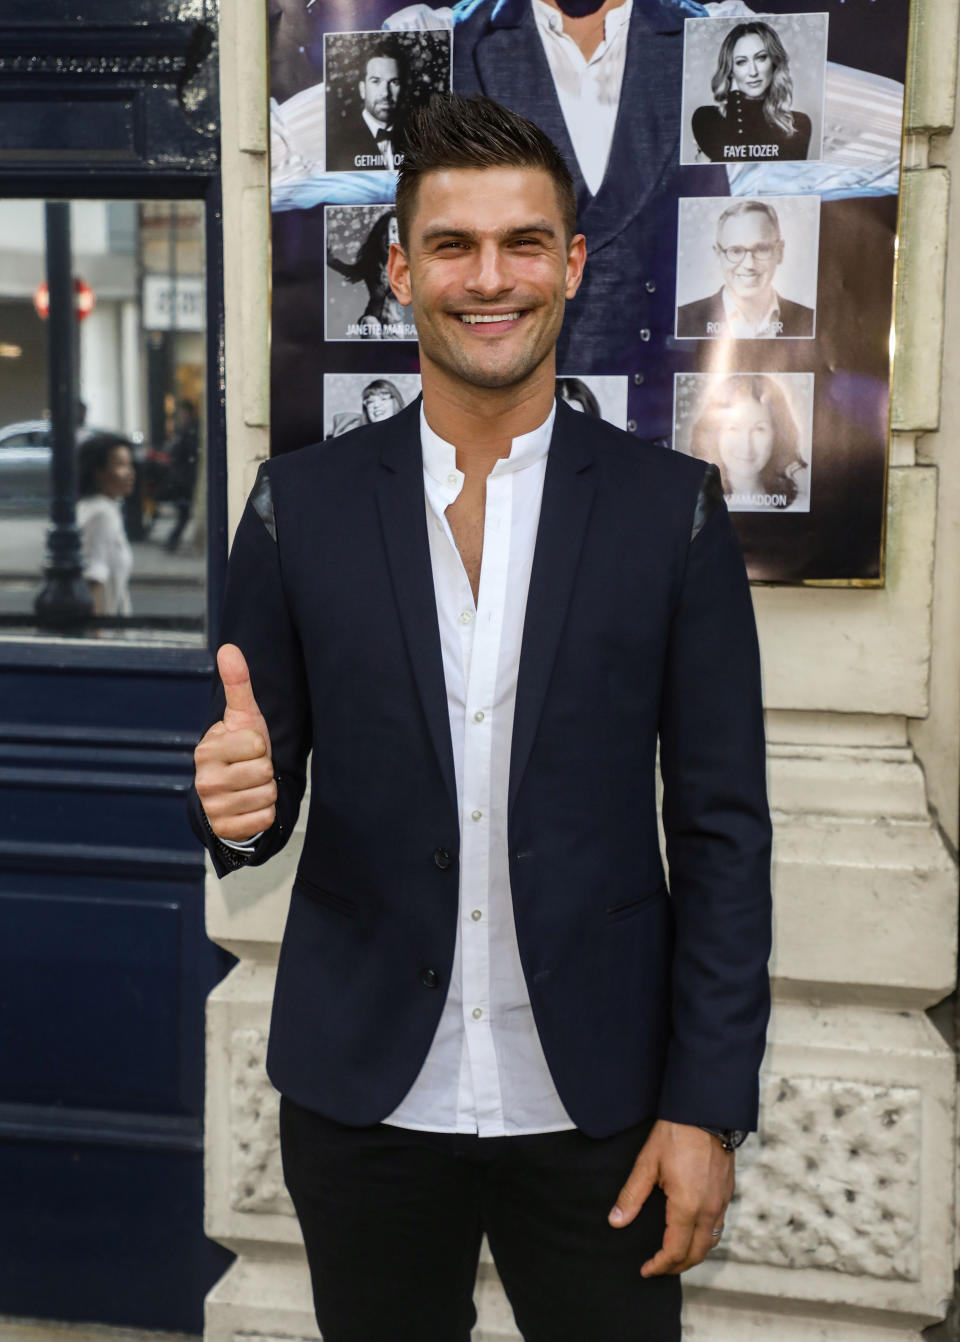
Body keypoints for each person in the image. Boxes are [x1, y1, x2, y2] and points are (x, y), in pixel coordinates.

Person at [191, 94, 771, 1342]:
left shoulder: (672, 512)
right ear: (401, 270)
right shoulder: (299, 508)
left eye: (522, 242)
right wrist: (235, 811)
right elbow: (256, 790)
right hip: (367, 1107)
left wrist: (705, 1107)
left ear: (571, 261)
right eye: (451, 244)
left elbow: (724, 831)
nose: (487, 277)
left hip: (605, 1109)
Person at [677, 199, 814, 339]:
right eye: (735, 251)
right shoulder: (682, 320)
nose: (749, 265)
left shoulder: (809, 319)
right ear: (718, 255)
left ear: (780, 252)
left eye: (761, 249)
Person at [691, 20, 812, 163]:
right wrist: (735, 96)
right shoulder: (706, 119)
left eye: (761, 58)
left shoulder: (798, 125)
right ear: (730, 69)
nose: (753, 72)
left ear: (774, 62)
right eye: (741, 62)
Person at [688, 373, 806, 509]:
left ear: (778, 435)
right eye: (733, 428)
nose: (746, 446)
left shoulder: (799, 506)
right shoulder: (692, 506)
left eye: (759, 429)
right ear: (715, 434)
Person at [327, 210, 414, 338]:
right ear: (380, 236)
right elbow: (348, 271)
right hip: (371, 320)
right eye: (386, 232)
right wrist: (328, 258)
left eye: (396, 232)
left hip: (395, 326)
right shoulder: (371, 266)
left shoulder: (411, 269)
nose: (390, 237)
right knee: (371, 325)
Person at [326, 39, 407, 171]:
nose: (385, 93)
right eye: (376, 81)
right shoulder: (335, 143)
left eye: (394, 82)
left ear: (403, 89)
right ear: (362, 89)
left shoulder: (417, 139)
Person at [77, 436, 135, 617]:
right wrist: (98, 638)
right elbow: (93, 579)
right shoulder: (101, 514)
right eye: (120, 465)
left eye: (129, 464)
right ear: (98, 471)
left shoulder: (106, 508)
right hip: (109, 633)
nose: (129, 473)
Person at [163, 399, 201, 553]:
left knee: (183, 513)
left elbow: (183, 454)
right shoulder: (185, 430)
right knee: (183, 512)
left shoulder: (188, 430)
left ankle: (172, 541)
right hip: (182, 478)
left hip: (184, 478)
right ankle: (172, 541)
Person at [326, 377, 407, 438]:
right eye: (370, 402)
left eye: (383, 399)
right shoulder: (356, 433)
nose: (376, 405)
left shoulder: (409, 432)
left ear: (395, 402)